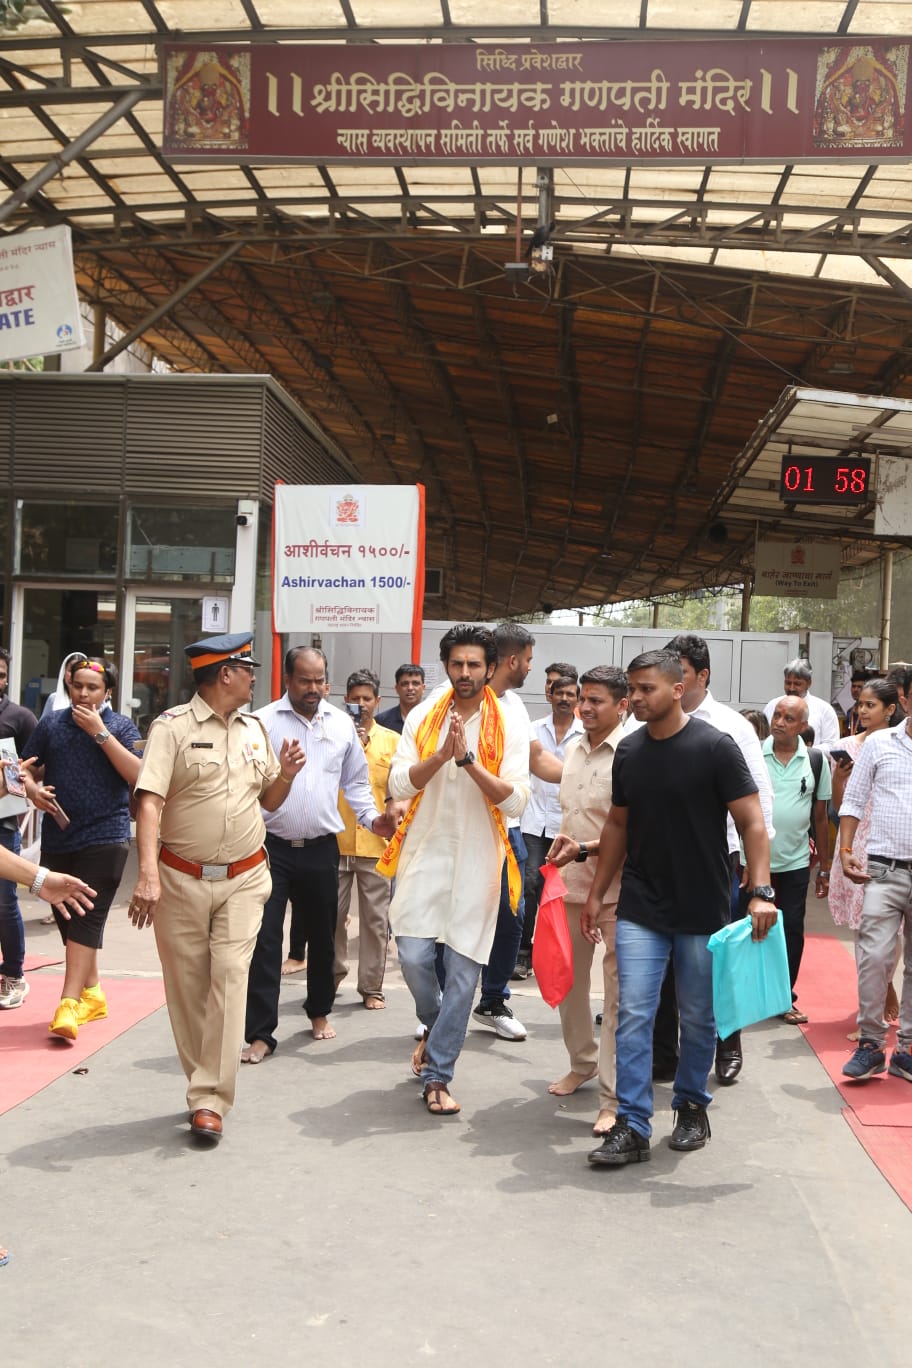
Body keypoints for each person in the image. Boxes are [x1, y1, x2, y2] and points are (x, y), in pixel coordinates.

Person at [583, 651, 776, 1168]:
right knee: (632, 1014)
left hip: (702, 905)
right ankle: (633, 1124)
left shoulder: (716, 747)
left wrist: (761, 890)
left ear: (676, 688)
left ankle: (691, 1106)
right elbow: (618, 825)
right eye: (632, 689)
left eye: (645, 689)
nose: (636, 698)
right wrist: (599, 891)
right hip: (642, 904)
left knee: (696, 1016)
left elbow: (753, 823)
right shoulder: (629, 752)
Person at [128, 632, 305, 1142]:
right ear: (225, 674)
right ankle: (202, 1081)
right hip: (180, 879)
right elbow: (149, 803)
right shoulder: (172, 729)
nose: (254, 676)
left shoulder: (255, 730)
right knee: (187, 989)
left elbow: (269, 801)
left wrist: (288, 775)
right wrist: (146, 875)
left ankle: (209, 1098)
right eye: (247, 668)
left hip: (245, 879)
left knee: (230, 975)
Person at [379, 624, 529, 1115]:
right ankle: (437, 1020)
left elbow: (517, 800)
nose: (464, 674)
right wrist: (441, 754)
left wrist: (466, 761)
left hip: (481, 860)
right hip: (425, 854)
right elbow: (400, 780)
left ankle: (439, 1075)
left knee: (465, 972)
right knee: (415, 956)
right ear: (446, 665)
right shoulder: (425, 716)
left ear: (491, 668)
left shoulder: (509, 722)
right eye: (456, 664)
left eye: (474, 665)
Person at [242, 647, 393, 1061]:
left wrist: (373, 820)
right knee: (266, 940)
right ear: (287, 680)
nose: (313, 689)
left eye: (319, 680)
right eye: (304, 680)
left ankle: (319, 1012)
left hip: (321, 850)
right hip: (269, 849)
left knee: (325, 937)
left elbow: (357, 784)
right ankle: (260, 1033)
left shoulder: (342, 724)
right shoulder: (261, 722)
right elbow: (247, 786)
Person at [661, 634, 775, 1086]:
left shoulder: (732, 727)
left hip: (718, 861)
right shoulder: (646, 721)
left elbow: (758, 802)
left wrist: (754, 867)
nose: (669, 682)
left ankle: (727, 1043)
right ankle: (664, 1053)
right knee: (666, 960)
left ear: (701, 676)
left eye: (680, 673)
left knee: (717, 958)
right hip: (660, 860)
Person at [22, 656, 141, 1041]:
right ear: (69, 687)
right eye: (78, 686)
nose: (84, 694)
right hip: (60, 837)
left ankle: (68, 1004)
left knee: (86, 916)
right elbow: (22, 768)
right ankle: (92, 993)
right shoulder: (51, 724)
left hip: (107, 836)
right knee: (68, 919)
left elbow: (138, 774)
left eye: (93, 688)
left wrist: (100, 733)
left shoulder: (121, 725)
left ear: (108, 692)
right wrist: (33, 790)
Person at [545, 666, 628, 1137]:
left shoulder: (632, 753)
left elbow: (628, 830)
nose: (586, 707)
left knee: (615, 998)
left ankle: (612, 1098)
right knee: (567, 984)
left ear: (622, 706)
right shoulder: (574, 749)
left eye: (597, 700)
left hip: (619, 890)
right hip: (571, 885)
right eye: (584, 699)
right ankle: (583, 1062)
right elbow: (572, 816)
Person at [839, 662, 912, 1086]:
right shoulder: (880, 745)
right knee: (874, 955)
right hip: (883, 869)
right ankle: (870, 1043)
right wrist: (846, 850)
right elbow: (854, 800)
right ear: (904, 700)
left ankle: (906, 1050)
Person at [471, 622, 536, 1041]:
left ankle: (492, 999)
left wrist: (587, 776)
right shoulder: (462, 703)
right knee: (454, 918)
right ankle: (440, 1005)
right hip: (466, 830)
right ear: (512, 660)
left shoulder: (515, 706)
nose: (531, 667)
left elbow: (539, 758)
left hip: (509, 832)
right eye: (529, 660)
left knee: (512, 920)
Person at [828, 678, 901, 1036]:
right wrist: (840, 780)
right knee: (865, 933)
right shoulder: (845, 747)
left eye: (871, 705)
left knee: (895, 934)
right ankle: (869, 1011)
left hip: (894, 844)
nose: (862, 711)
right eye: (861, 704)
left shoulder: (897, 747)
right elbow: (841, 807)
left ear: (891, 708)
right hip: (857, 846)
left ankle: (886, 985)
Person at [758, 695, 831, 1025]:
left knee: (790, 931)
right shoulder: (753, 755)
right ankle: (748, 995)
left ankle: (784, 996)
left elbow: (820, 816)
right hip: (752, 861)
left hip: (796, 863)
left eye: (789, 718)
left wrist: (825, 868)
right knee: (747, 930)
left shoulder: (815, 761)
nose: (779, 722)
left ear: (803, 726)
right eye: (777, 715)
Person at [333, 668, 401, 1010]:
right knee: (332, 918)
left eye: (366, 698)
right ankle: (328, 979)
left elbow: (400, 790)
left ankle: (371, 987)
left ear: (378, 701)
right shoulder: (332, 736)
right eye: (354, 699)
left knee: (376, 922)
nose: (360, 704)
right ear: (345, 701)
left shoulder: (393, 741)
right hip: (336, 842)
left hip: (377, 847)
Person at [513, 674, 583, 980]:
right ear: (550, 696)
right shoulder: (532, 730)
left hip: (567, 826)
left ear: (577, 700)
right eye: (559, 693)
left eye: (570, 694)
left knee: (560, 894)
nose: (564, 698)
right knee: (528, 886)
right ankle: (522, 953)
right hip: (533, 822)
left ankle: (553, 958)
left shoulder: (584, 735)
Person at [0, 648, 37, 1010]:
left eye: (0, 673)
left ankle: (13, 974)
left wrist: (17, 777)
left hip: (3, 823)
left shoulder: (20, 717)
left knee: (4, 902)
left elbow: (34, 769)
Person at [763, 657, 840, 750]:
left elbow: (832, 746)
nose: (791, 688)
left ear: (809, 683)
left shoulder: (824, 710)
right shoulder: (773, 705)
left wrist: (801, 752)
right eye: (788, 683)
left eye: (797, 684)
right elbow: (763, 738)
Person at [375, 664, 426, 735]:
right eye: (405, 684)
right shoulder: (381, 721)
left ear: (423, 688)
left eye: (415, 683)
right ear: (397, 688)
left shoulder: (432, 719)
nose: (410, 688)